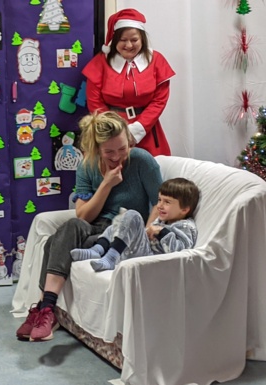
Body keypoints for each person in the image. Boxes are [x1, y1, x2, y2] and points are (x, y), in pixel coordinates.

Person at [15, 110, 162, 342]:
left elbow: (159, 203)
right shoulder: (87, 165)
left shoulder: (143, 161)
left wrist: (147, 230)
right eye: (109, 152)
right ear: (96, 148)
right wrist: (106, 185)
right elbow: (83, 215)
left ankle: (44, 310)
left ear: (129, 139)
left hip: (120, 233)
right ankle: (46, 312)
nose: (117, 157)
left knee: (55, 242)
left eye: (122, 148)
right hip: (94, 227)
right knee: (71, 226)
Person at [82, 8, 175, 156]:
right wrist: (115, 131)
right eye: (123, 40)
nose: (129, 45)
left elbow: (159, 101)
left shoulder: (156, 61)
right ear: (115, 40)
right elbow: (95, 103)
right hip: (111, 133)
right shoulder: (100, 63)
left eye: (134, 40)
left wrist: (138, 129)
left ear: (142, 39)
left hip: (147, 131)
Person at [70, 178, 199, 272]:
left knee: (133, 216)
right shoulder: (162, 220)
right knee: (119, 223)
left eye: (167, 202)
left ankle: (111, 258)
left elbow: (180, 251)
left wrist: (161, 233)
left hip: (150, 258)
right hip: (139, 250)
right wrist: (147, 231)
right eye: (159, 200)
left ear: (184, 209)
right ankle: (97, 250)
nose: (159, 205)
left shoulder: (186, 226)